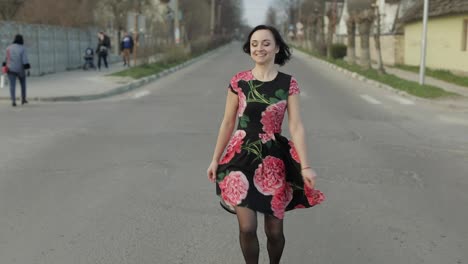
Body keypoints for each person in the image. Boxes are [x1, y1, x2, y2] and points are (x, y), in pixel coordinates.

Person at [206, 25, 325, 264]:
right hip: (240, 156)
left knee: (274, 232)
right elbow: (228, 122)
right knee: (247, 227)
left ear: (277, 47)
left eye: (266, 43)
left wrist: (305, 166)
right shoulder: (239, 82)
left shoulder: (287, 84)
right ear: (249, 48)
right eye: (254, 44)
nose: (259, 48)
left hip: (273, 160)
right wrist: (215, 158)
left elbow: (296, 126)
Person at [2, 34, 31, 107]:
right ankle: (23, 99)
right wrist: (27, 69)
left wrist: (4, 67)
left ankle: (13, 101)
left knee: (12, 86)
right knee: (23, 84)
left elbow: (5, 59)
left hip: (10, 69)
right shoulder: (22, 48)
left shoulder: (8, 48)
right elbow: (25, 60)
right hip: (20, 69)